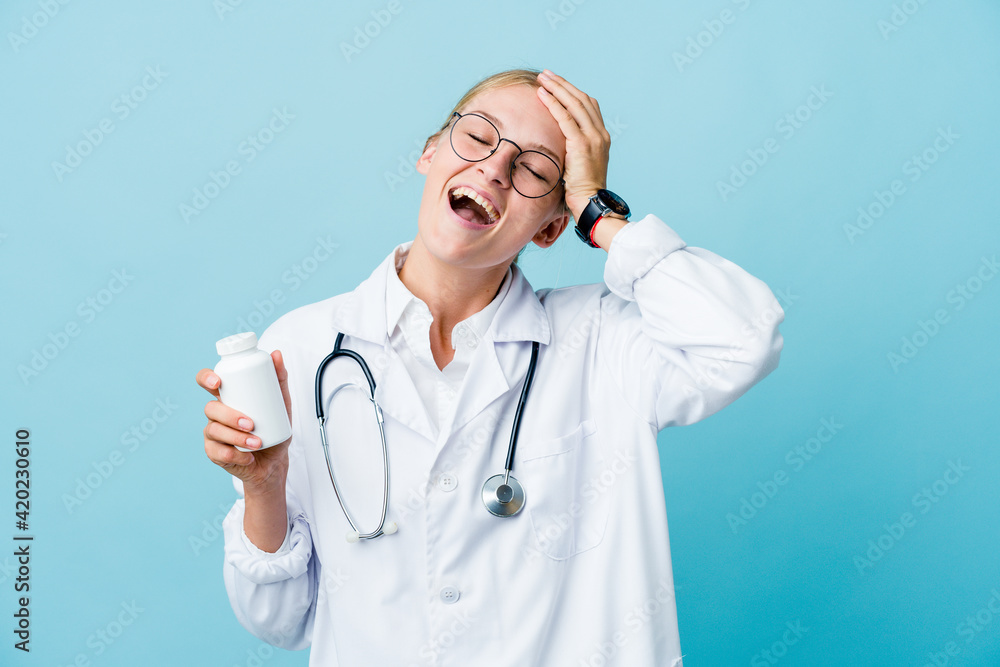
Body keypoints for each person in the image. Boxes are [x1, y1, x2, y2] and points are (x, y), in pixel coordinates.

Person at [196, 68, 784, 666]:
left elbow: (744, 338)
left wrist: (598, 211)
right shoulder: (302, 348)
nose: (496, 168)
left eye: (534, 170)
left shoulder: (604, 339)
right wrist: (263, 487)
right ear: (430, 152)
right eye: (478, 136)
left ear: (552, 228)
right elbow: (280, 621)